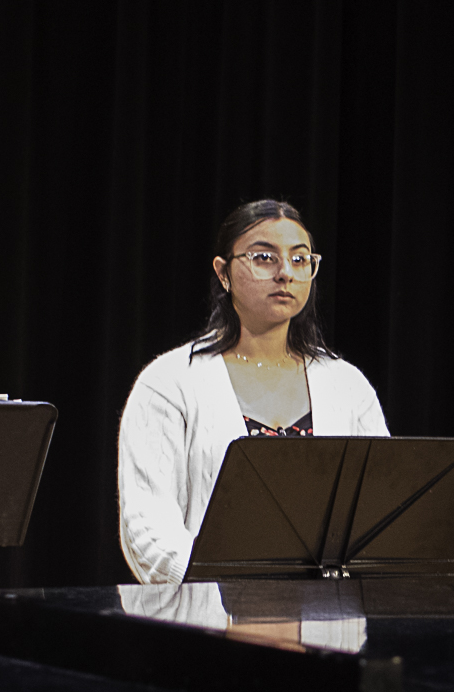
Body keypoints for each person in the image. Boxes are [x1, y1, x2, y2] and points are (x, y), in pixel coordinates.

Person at [118, 199, 388, 584]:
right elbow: (147, 527)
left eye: (299, 259)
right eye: (264, 258)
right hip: (211, 612)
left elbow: (380, 511)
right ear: (223, 272)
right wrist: (222, 592)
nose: (285, 273)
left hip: (328, 615)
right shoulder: (169, 383)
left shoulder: (347, 385)